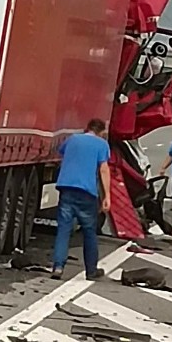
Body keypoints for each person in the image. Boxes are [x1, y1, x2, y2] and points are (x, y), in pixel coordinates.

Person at [51, 119, 111, 281]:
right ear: (101, 132)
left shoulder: (72, 139)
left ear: (87, 128)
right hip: (87, 192)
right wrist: (107, 196)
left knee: (63, 229)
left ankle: (58, 267)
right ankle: (91, 270)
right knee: (89, 231)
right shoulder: (102, 144)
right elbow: (104, 170)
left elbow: (61, 152)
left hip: (66, 188)